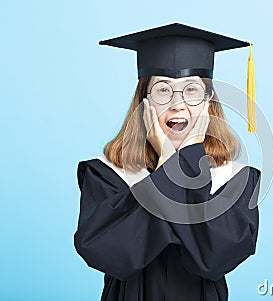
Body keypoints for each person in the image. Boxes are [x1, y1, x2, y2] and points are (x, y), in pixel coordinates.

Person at [74, 23, 261, 301]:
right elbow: (109, 255)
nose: (178, 104)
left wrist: (179, 162)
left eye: (192, 90)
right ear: (143, 100)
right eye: (163, 90)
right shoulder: (106, 174)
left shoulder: (236, 179)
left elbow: (217, 258)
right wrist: (175, 167)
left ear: (209, 101)